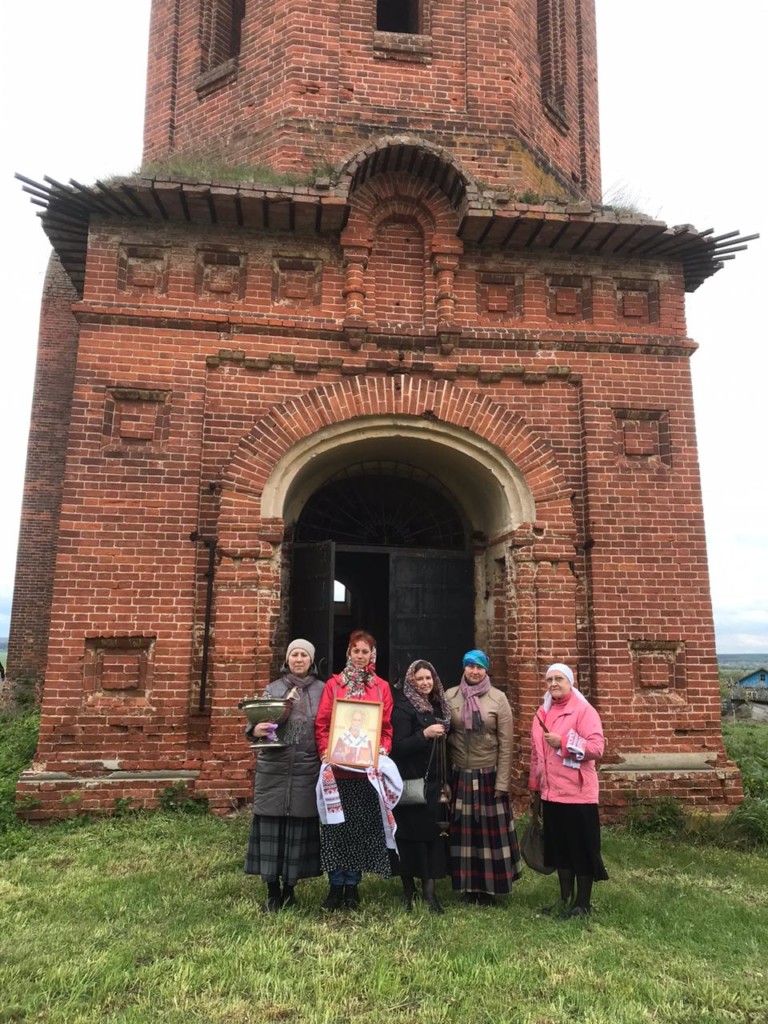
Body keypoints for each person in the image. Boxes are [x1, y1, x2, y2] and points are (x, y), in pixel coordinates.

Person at [314, 629, 394, 910]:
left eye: (365, 651)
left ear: (373, 655)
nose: (360, 656)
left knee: (358, 829)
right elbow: (323, 723)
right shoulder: (334, 684)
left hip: (364, 772)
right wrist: (326, 750)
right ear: (348, 652)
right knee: (336, 829)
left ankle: (352, 887)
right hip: (337, 770)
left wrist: (382, 748)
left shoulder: (380, 687)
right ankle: (335, 885)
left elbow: (385, 727)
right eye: (356, 650)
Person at [244, 638, 324, 912]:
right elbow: (255, 723)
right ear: (287, 659)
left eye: (304, 655)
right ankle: (272, 892)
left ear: (311, 660)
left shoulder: (323, 691)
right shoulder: (273, 689)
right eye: (294, 655)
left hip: (306, 769)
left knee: (296, 833)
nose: (298, 659)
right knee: (272, 830)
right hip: (274, 770)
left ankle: (290, 890)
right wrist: (254, 731)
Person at [528, 662, 608, 919]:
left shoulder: (584, 711)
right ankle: (564, 899)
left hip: (578, 794)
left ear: (570, 682)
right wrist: (535, 786)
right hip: (551, 793)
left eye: (559, 679)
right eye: (549, 679)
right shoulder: (542, 713)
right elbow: (536, 754)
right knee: (560, 850)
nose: (553, 684)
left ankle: (582, 904)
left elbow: (596, 748)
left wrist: (563, 743)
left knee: (581, 849)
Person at [445, 649, 522, 905]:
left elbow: (506, 743)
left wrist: (502, 782)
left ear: (486, 669)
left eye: (479, 667)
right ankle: (467, 887)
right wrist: (445, 779)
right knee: (464, 835)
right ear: (464, 668)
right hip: (460, 774)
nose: (474, 671)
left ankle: (491, 888)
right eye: (470, 666)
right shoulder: (450, 696)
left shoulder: (498, 699)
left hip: (488, 775)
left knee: (488, 836)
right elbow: (445, 739)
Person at [390, 659, 451, 914]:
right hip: (411, 781)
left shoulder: (441, 705)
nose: (425, 683)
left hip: (436, 780)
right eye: (420, 679)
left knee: (433, 836)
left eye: (429, 678)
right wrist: (423, 735)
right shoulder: (403, 707)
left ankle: (429, 892)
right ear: (411, 681)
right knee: (408, 837)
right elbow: (397, 747)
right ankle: (408, 889)